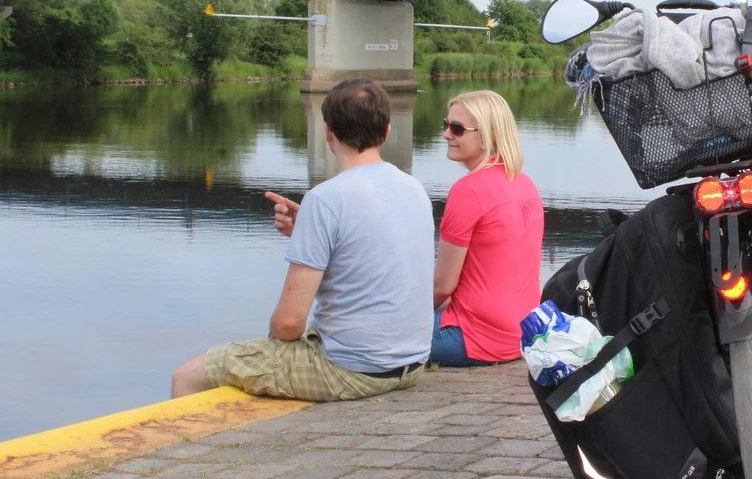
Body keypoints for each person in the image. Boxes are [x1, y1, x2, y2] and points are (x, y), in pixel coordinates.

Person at [170, 79, 435, 401]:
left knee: (187, 376)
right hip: (410, 363)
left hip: (354, 371)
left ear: (328, 132)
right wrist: (308, 233)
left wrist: (272, 345)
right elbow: (373, 248)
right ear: (387, 131)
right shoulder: (414, 189)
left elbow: (288, 323)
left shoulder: (325, 199)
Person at [431, 90, 544, 367]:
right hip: (523, 336)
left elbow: (442, 287)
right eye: (446, 125)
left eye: (457, 128)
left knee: (367, 330)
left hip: (475, 338)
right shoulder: (526, 183)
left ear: (489, 135)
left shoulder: (468, 190)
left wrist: (403, 317)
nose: (446, 134)